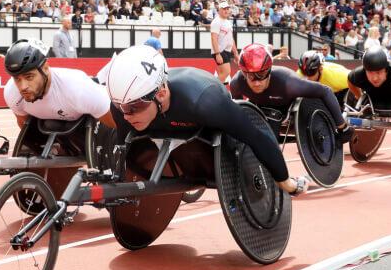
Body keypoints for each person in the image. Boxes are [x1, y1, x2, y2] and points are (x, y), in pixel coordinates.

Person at [102, 45, 310, 196]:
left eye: (135, 107)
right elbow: (122, 148)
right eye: (122, 107)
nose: (126, 115)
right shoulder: (123, 104)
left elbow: (257, 137)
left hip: (204, 116)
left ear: (161, 93)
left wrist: (287, 183)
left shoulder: (205, 103)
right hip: (168, 121)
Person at [231, 44, 353, 144]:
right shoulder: (236, 83)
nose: (256, 83)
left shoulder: (289, 83)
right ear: (244, 73)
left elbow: (325, 91)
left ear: (269, 70)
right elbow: (239, 113)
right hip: (259, 107)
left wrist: (342, 126)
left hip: (286, 108)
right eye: (251, 76)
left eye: (261, 75)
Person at [3, 39, 114, 129]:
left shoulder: (79, 89)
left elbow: (119, 127)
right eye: (17, 79)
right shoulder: (11, 92)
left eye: (29, 77)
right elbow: (26, 128)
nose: (23, 87)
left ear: (45, 68)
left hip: (86, 118)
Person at [210, 1, 239, 84]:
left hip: (226, 51)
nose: (226, 11)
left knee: (222, 74)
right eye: (224, 9)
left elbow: (231, 39)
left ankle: (218, 91)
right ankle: (214, 90)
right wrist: (217, 54)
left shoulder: (227, 22)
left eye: (227, 9)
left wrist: (236, 53)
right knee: (226, 72)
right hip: (220, 51)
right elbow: (213, 38)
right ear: (219, 10)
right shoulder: (216, 22)